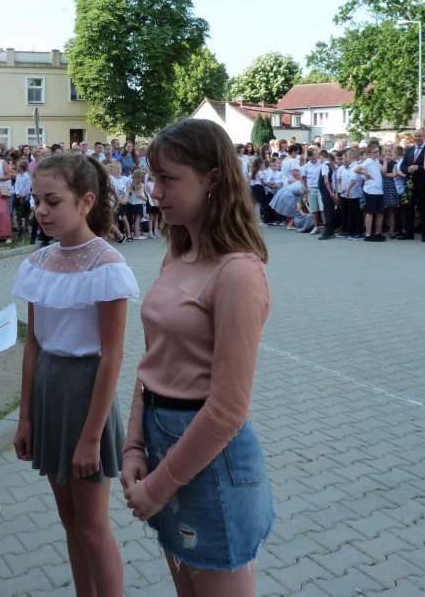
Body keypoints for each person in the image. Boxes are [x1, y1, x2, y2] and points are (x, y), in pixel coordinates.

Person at [121, 119, 273, 597]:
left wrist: (159, 486)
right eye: (152, 177)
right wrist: (132, 446)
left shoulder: (237, 273)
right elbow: (152, 364)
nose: (154, 191)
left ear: (211, 179)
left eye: (168, 178)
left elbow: (228, 409)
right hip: (164, 446)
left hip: (207, 460)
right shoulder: (177, 254)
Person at [12, 153, 139, 597]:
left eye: (52, 201)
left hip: (87, 396)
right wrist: (24, 417)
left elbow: (112, 356)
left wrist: (91, 436)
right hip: (49, 390)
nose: (40, 211)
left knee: (91, 525)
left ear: (86, 202)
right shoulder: (38, 262)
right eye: (35, 201)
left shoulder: (105, 265)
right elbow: (33, 344)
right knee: (70, 522)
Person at [400, 129, 425, 242]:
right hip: (410, 184)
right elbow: (402, 166)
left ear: (424, 136)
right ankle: (408, 232)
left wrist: (418, 167)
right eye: (416, 136)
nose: (417, 138)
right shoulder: (409, 150)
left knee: (424, 209)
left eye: (420, 136)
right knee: (408, 208)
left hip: (423, 184)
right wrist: (407, 169)